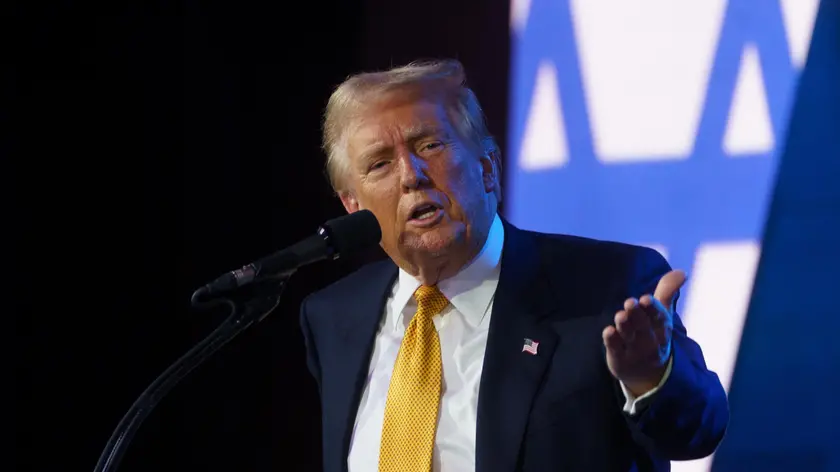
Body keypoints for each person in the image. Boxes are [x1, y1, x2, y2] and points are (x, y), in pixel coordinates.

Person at [299, 59, 729, 472]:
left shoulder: (607, 286)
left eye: (429, 145)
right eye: (380, 164)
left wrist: (652, 379)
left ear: (488, 169)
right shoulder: (335, 316)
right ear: (353, 208)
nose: (411, 175)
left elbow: (697, 432)